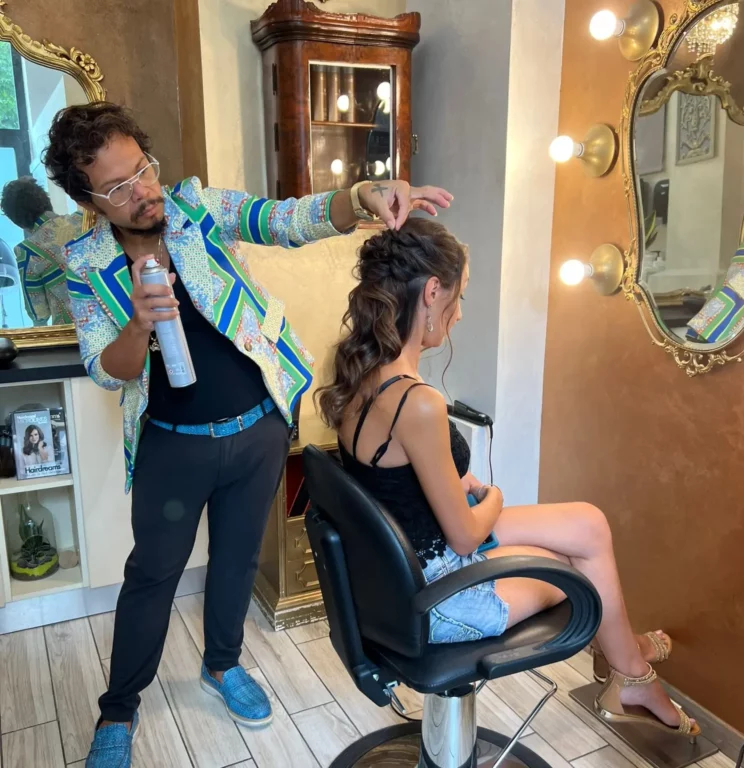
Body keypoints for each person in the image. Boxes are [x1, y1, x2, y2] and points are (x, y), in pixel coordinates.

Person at [41, 101, 452, 768]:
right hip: (171, 445)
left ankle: (223, 664)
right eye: (117, 187)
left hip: (258, 429)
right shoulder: (86, 264)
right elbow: (105, 370)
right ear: (88, 201)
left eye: (142, 169)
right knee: (152, 576)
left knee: (236, 560)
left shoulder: (197, 208)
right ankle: (118, 709)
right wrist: (139, 324)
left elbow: (283, 220)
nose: (142, 191)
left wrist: (361, 196)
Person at [317, 217, 700, 741]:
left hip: (406, 563)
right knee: (574, 567)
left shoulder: (364, 375)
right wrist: (493, 496)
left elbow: (392, 476)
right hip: (442, 595)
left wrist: (456, 480)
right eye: (458, 297)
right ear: (432, 292)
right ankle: (629, 670)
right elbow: (465, 537)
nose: (458, 314)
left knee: (587, 525)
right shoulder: (417, 401)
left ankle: (626, 662)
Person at [0, 176, 81, 325]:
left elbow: (38, 313)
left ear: (18, 222)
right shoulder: (83, 220)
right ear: (46, 200)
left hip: (75, 333)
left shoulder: (27, 252)